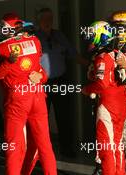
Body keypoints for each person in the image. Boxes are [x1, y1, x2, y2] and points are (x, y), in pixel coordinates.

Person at [0, 13, 57, 175]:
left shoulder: (0, 46)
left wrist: (9, 63)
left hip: (17, 99)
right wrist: (41, 77)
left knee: (14, 147)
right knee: (44, 145)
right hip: (37, 96)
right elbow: (40, 71)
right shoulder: (35, 41)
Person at [92, 11, 126, 175]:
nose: (120, 31)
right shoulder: (107, 43)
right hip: (109, 93)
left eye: (123, 28)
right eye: (116, 27)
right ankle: (101, 165)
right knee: (103, 129)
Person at [82, 21, 126, 175]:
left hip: (107, 105)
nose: (90, 40)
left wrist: (86, 89)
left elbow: (102, 84)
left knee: (106, 149)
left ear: (101, 37)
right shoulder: (120, 55)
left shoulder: (102, 57)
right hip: (120, 104)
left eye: (93, 36)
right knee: (118, 146)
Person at [36, 7, 88, 157]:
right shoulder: (34, 38)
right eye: (45, 19)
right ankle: (41, 151)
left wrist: (90, 65)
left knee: (64, 116)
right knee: (40, 118)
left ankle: (66, 148)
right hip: (41, 84)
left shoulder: (59, 35)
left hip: (60, 81)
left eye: (50, 19)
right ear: (39, 21)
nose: (48, 22)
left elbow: (73, 54)